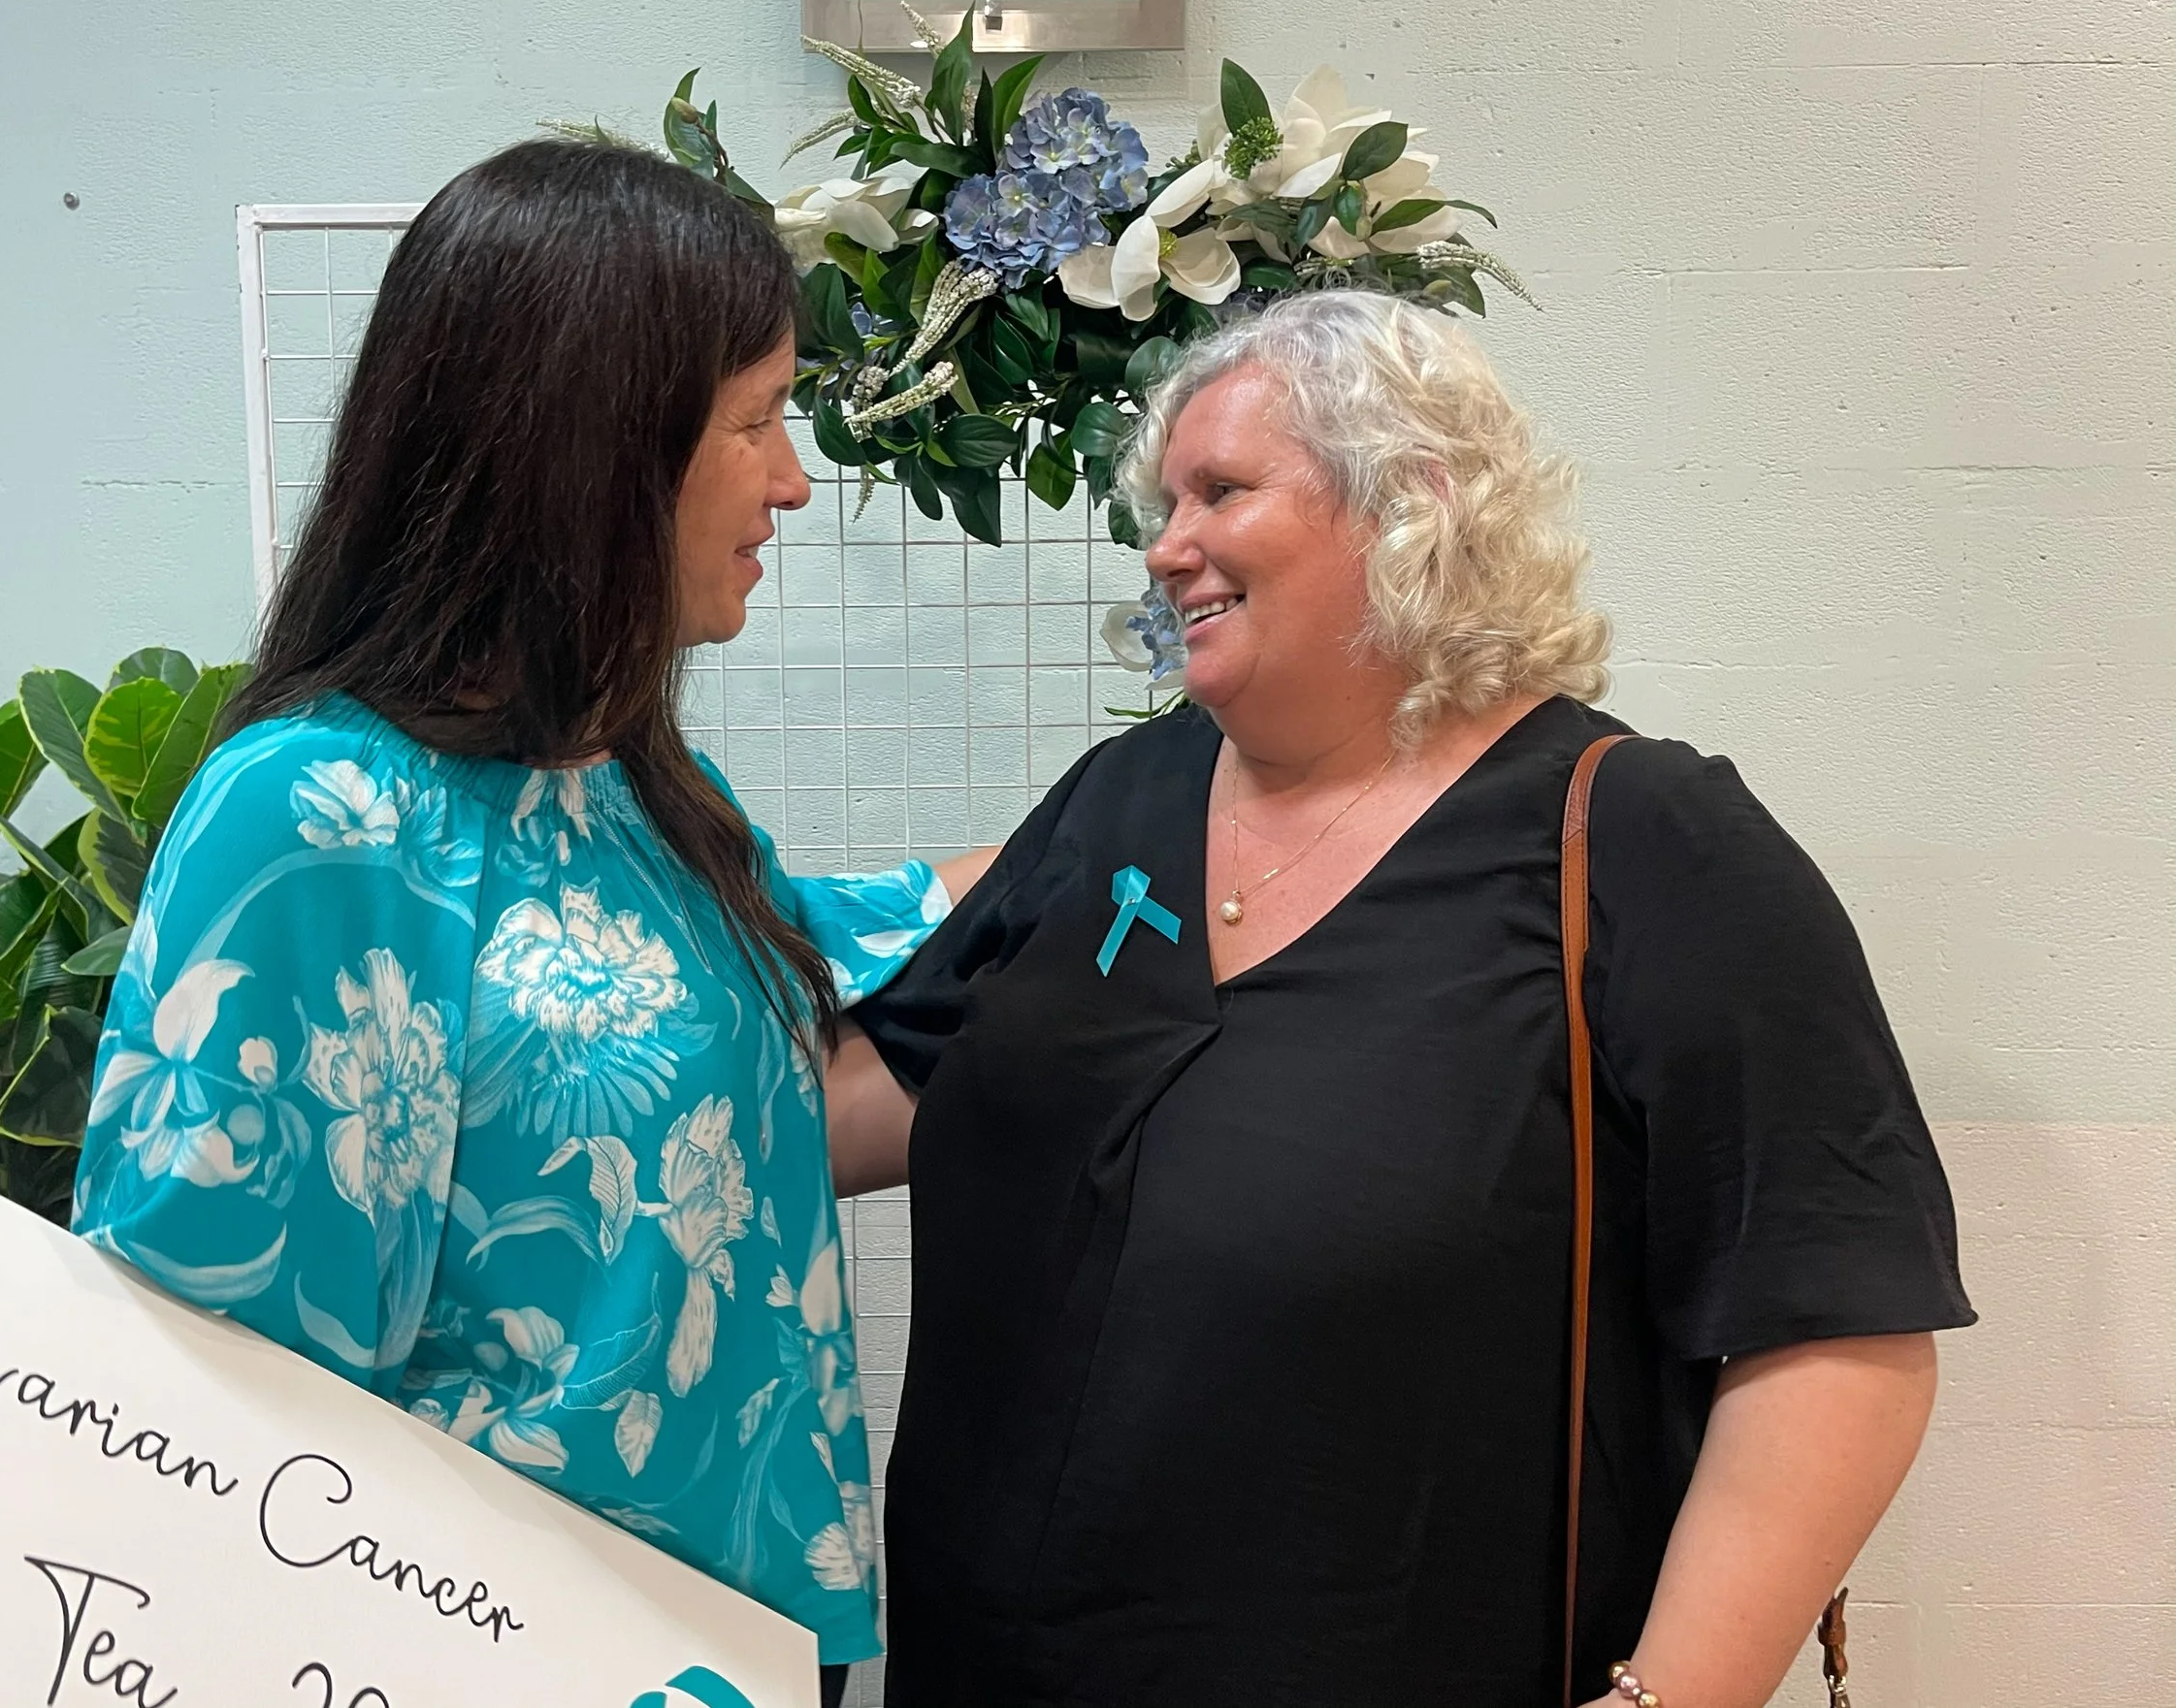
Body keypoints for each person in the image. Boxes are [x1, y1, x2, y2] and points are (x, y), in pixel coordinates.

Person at [828, 290, 1976, 1707]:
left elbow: (1841, 1325)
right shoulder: (1121, 799)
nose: (1165, 543)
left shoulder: (1636, 840)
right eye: (1164, 498)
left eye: (1221, 490)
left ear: (1411, 499)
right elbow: (873, 1091)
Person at [73, 138, 986, 1707]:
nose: (791, 479)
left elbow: (786, 1037)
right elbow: (204, 1393)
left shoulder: (624, 784)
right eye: (758, 421)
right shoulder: (314, 815)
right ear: (598, 449)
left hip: (746, 1641)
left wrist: (1162, 826)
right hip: (509, 1657)